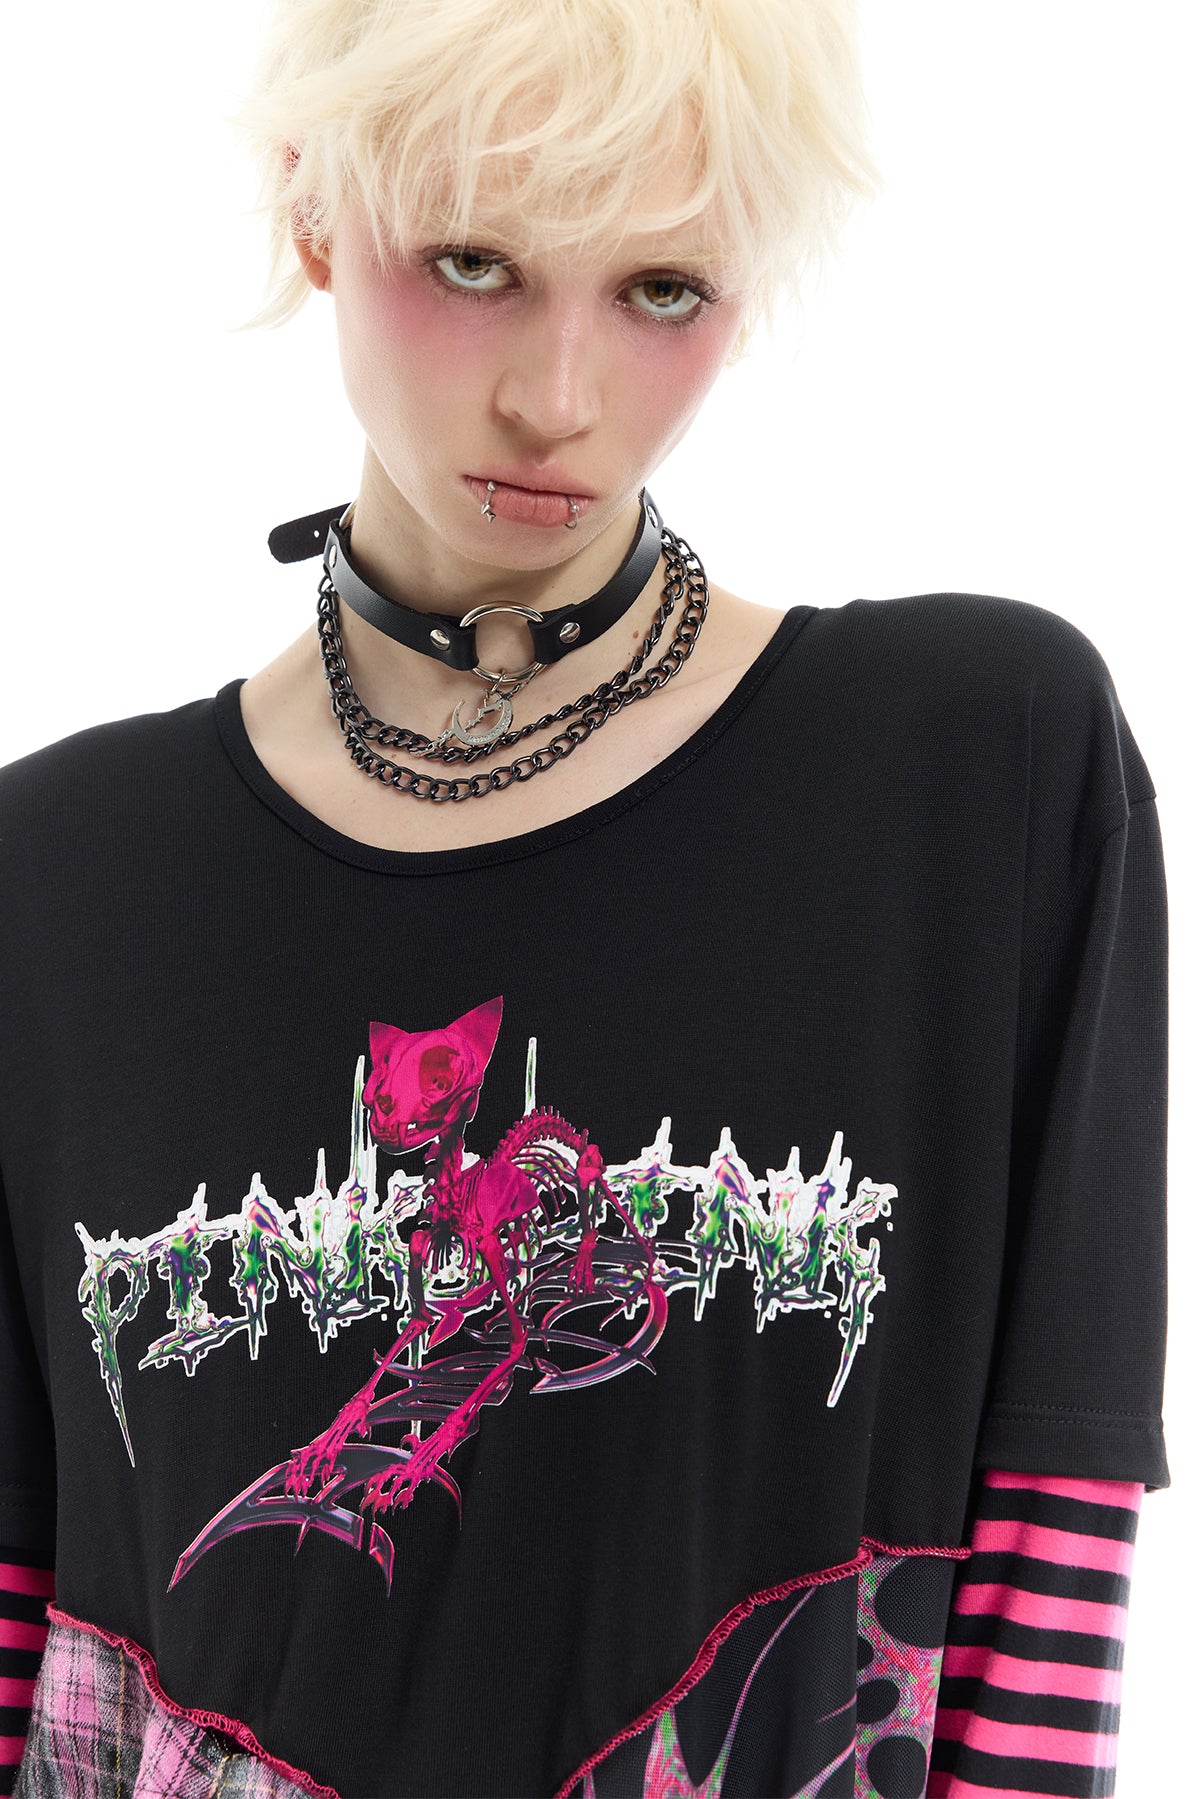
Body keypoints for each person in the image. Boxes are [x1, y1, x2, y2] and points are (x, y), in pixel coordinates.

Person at [0, 2, 1170, 1796]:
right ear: (311, 209)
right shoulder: (59, 878)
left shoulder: (972, 767)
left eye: (662, 291)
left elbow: (1051, 1530)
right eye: (473, 262)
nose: (559, 399)